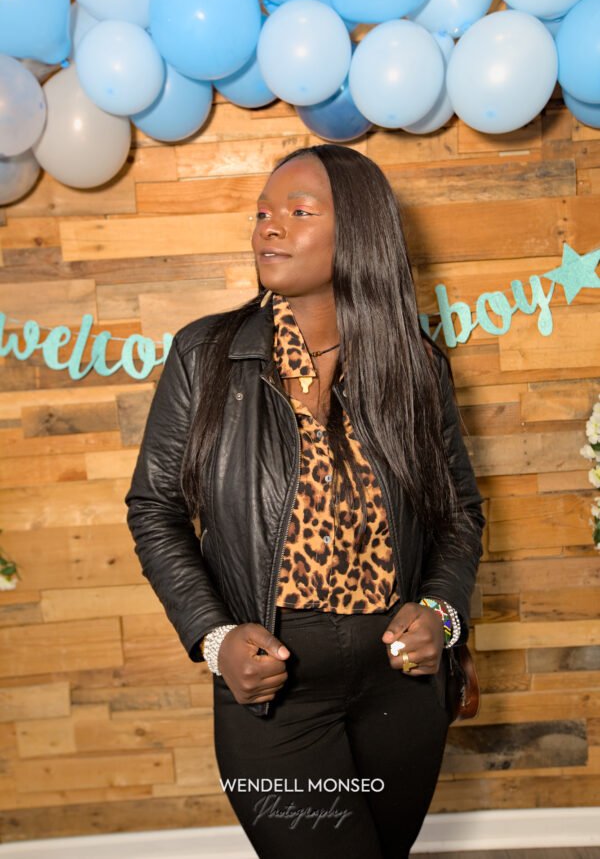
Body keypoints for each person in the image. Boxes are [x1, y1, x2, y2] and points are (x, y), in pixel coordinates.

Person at [124, 144, 486, 859]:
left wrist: (442, 616)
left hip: (402, 685)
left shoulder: (414, 365)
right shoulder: (205, 356)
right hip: (273, 687)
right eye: (263, 212)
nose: (269, 226)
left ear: (357, 232)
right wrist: (215, 638)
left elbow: (459, 514)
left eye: (298, 211)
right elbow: (154, 509)